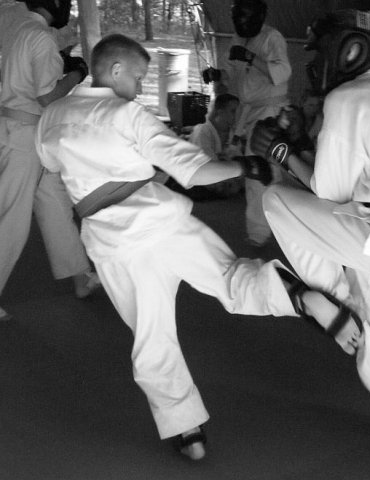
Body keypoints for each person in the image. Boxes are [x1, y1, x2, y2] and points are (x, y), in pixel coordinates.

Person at [35, 33, 315, 461]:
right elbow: (195, 171)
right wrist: (245, 165)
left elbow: (52, 166)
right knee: (229, 277)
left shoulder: (51, 117)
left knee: (153, 337)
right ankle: (289, 292)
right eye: (137, 77)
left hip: (116, 245)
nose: (138, 88)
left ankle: (188, 432)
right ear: (115, 70)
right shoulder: (126, 113)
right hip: (166, 223)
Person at [251, 10, 370, 480]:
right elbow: (353, 185)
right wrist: (298, 144)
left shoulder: (347, 97)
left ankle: (335, 302)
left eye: (319, 53)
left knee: (277, 200)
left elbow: (329, 193)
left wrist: (281, 152)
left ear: (348, 49)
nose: (315, 65)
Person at [0, 0, 100, 321]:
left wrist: (62, 63)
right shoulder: (40, 37)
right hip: (24, 137)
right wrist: (77, 74)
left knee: (55, 205)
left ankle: (80, 277)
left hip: (26, 132)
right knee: (12, 221)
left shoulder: (20, 28)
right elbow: (47, 96)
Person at [202, 0, 292, 247]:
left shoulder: (272, 38)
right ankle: (268, 229)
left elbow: (282, 73)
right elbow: (231, 71)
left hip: (270, 111)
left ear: (258, 17)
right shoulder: (238, 38)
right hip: (249, 111)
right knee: (261, 169)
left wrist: (252, 57)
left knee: (262, 169)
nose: (240, 23)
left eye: (245, 18)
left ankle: (262, 232)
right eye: (237, 19)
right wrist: (216, 74)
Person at [189, 92, 244, 198]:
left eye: (238, 112)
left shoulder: (233, 135)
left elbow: (240, 162)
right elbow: (206, 168)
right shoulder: (202, 131)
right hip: (202, 186)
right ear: (220, 111)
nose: (236, 116)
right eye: (233, 111)